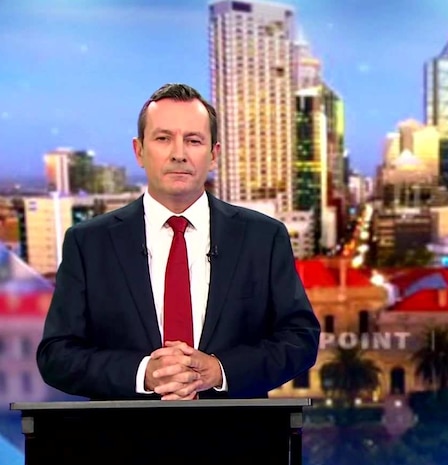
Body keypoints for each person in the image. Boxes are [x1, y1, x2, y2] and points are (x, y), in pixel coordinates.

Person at [36, 83, 321, 400]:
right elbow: (57, 354)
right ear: (139, 151)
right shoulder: (89, 243)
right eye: (163, 138)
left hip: (236, 440)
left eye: (193, 140)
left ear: (214, 155)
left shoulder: (263, 237)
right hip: (122, 443)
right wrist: (143, 373)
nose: (179, 153)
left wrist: (219, 370)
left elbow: (300, 339)